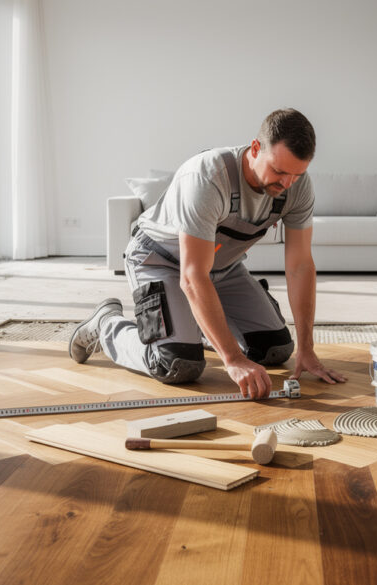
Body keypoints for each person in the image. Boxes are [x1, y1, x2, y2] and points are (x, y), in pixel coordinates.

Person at [69, 108, 346, 397]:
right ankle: (106, 325)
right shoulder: (208, 176)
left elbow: (300, 266)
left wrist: (307, 349)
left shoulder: (297, 187)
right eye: (278, 171)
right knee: (177, 364)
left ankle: (191, 325)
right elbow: (191, 276)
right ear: (255, 149)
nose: (287, 183)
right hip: (159, 260)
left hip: (222, 268)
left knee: (274, 349)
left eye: (296, 175)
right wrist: (233, 359)